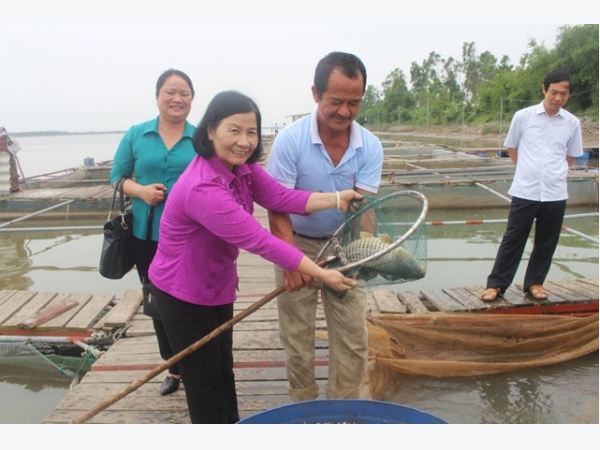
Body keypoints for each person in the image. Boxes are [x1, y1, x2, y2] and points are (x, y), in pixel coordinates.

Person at [148, 90, 363, 424]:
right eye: (234, 130)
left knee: (222, 370)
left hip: (216, 285)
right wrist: (323, 275)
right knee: (204, 383)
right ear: (210, 130)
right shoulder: (202, 187)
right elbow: (259, 239)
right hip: (183, 293)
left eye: (251, 131)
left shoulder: (243, 169)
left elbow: (280, 196)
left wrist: (337, 198)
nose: (244, 141)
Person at [266, 51, 384, 401]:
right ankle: (303, 405)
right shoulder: (290, 140)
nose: (344, 112)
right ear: (316, 93)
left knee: (352, 337)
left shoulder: (370, 146)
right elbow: (277, 207)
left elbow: (364, 208)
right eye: (335, 101)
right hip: (296, 242)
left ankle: (342, 410)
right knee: (297, 335)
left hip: (342, 248)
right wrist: (290, 262)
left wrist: (364, 249)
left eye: (354, 103)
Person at [109, 68, 196, 396]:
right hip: (146, 234)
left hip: (190, 235)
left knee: (190, 299)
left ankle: (194, 359)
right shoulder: (136, 134)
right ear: (158, 96)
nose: (177, 98)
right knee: (157, 302)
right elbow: (116, 177)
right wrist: (142, 191)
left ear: (192, 99)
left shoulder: (201, 138)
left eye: (184, 93)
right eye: (170, 92)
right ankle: (173, 368)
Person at [480, 69, 584, 302]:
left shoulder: (572, 123)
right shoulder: (523, 117)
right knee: (513, 238)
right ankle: (496, 285)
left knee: (547, 241)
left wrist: (553, 173)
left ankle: (534, 283)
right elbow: (512, 147)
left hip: (555, 192)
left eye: (564, 94)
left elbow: (571, 155)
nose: (558, 98)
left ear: (568, 95)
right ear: (544, 89)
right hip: (525, 190)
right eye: (554, 92)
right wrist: (527, 170)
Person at [0, 126, 23, 193]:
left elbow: (12, 146)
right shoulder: (6, 135)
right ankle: (13, 186)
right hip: (5, 156)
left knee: (9, 171)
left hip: (6, 156)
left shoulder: (5, 135)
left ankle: (13, 186)